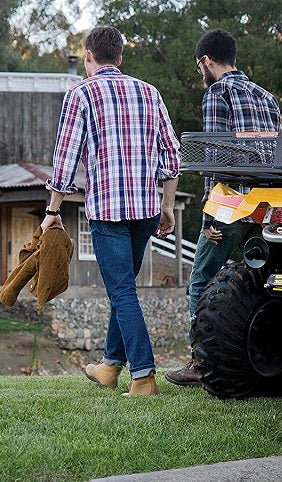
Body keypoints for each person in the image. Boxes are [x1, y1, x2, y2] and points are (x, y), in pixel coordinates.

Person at [41, 26, 181, 396]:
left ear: (88, 56)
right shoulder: (149, 92)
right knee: (126, 289)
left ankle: (144, 376)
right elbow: (171, 153)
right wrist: (167, 205)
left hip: (109, 212)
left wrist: (52, 210)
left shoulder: (81, 94)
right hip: (146, 209)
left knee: (121, 291)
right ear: (120, 58)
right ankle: (108, 366)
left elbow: (65, 159)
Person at [165, 28, 282, 387]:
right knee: (258, 280)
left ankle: (201, 361)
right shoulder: (267, 97)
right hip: (266, 206)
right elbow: (278, 156)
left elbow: (212, 153)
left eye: (199, 65)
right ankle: (261, 354)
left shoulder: (218, 92)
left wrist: (207, 211)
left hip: (230, 204)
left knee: (200, 280)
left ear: (207, 61)